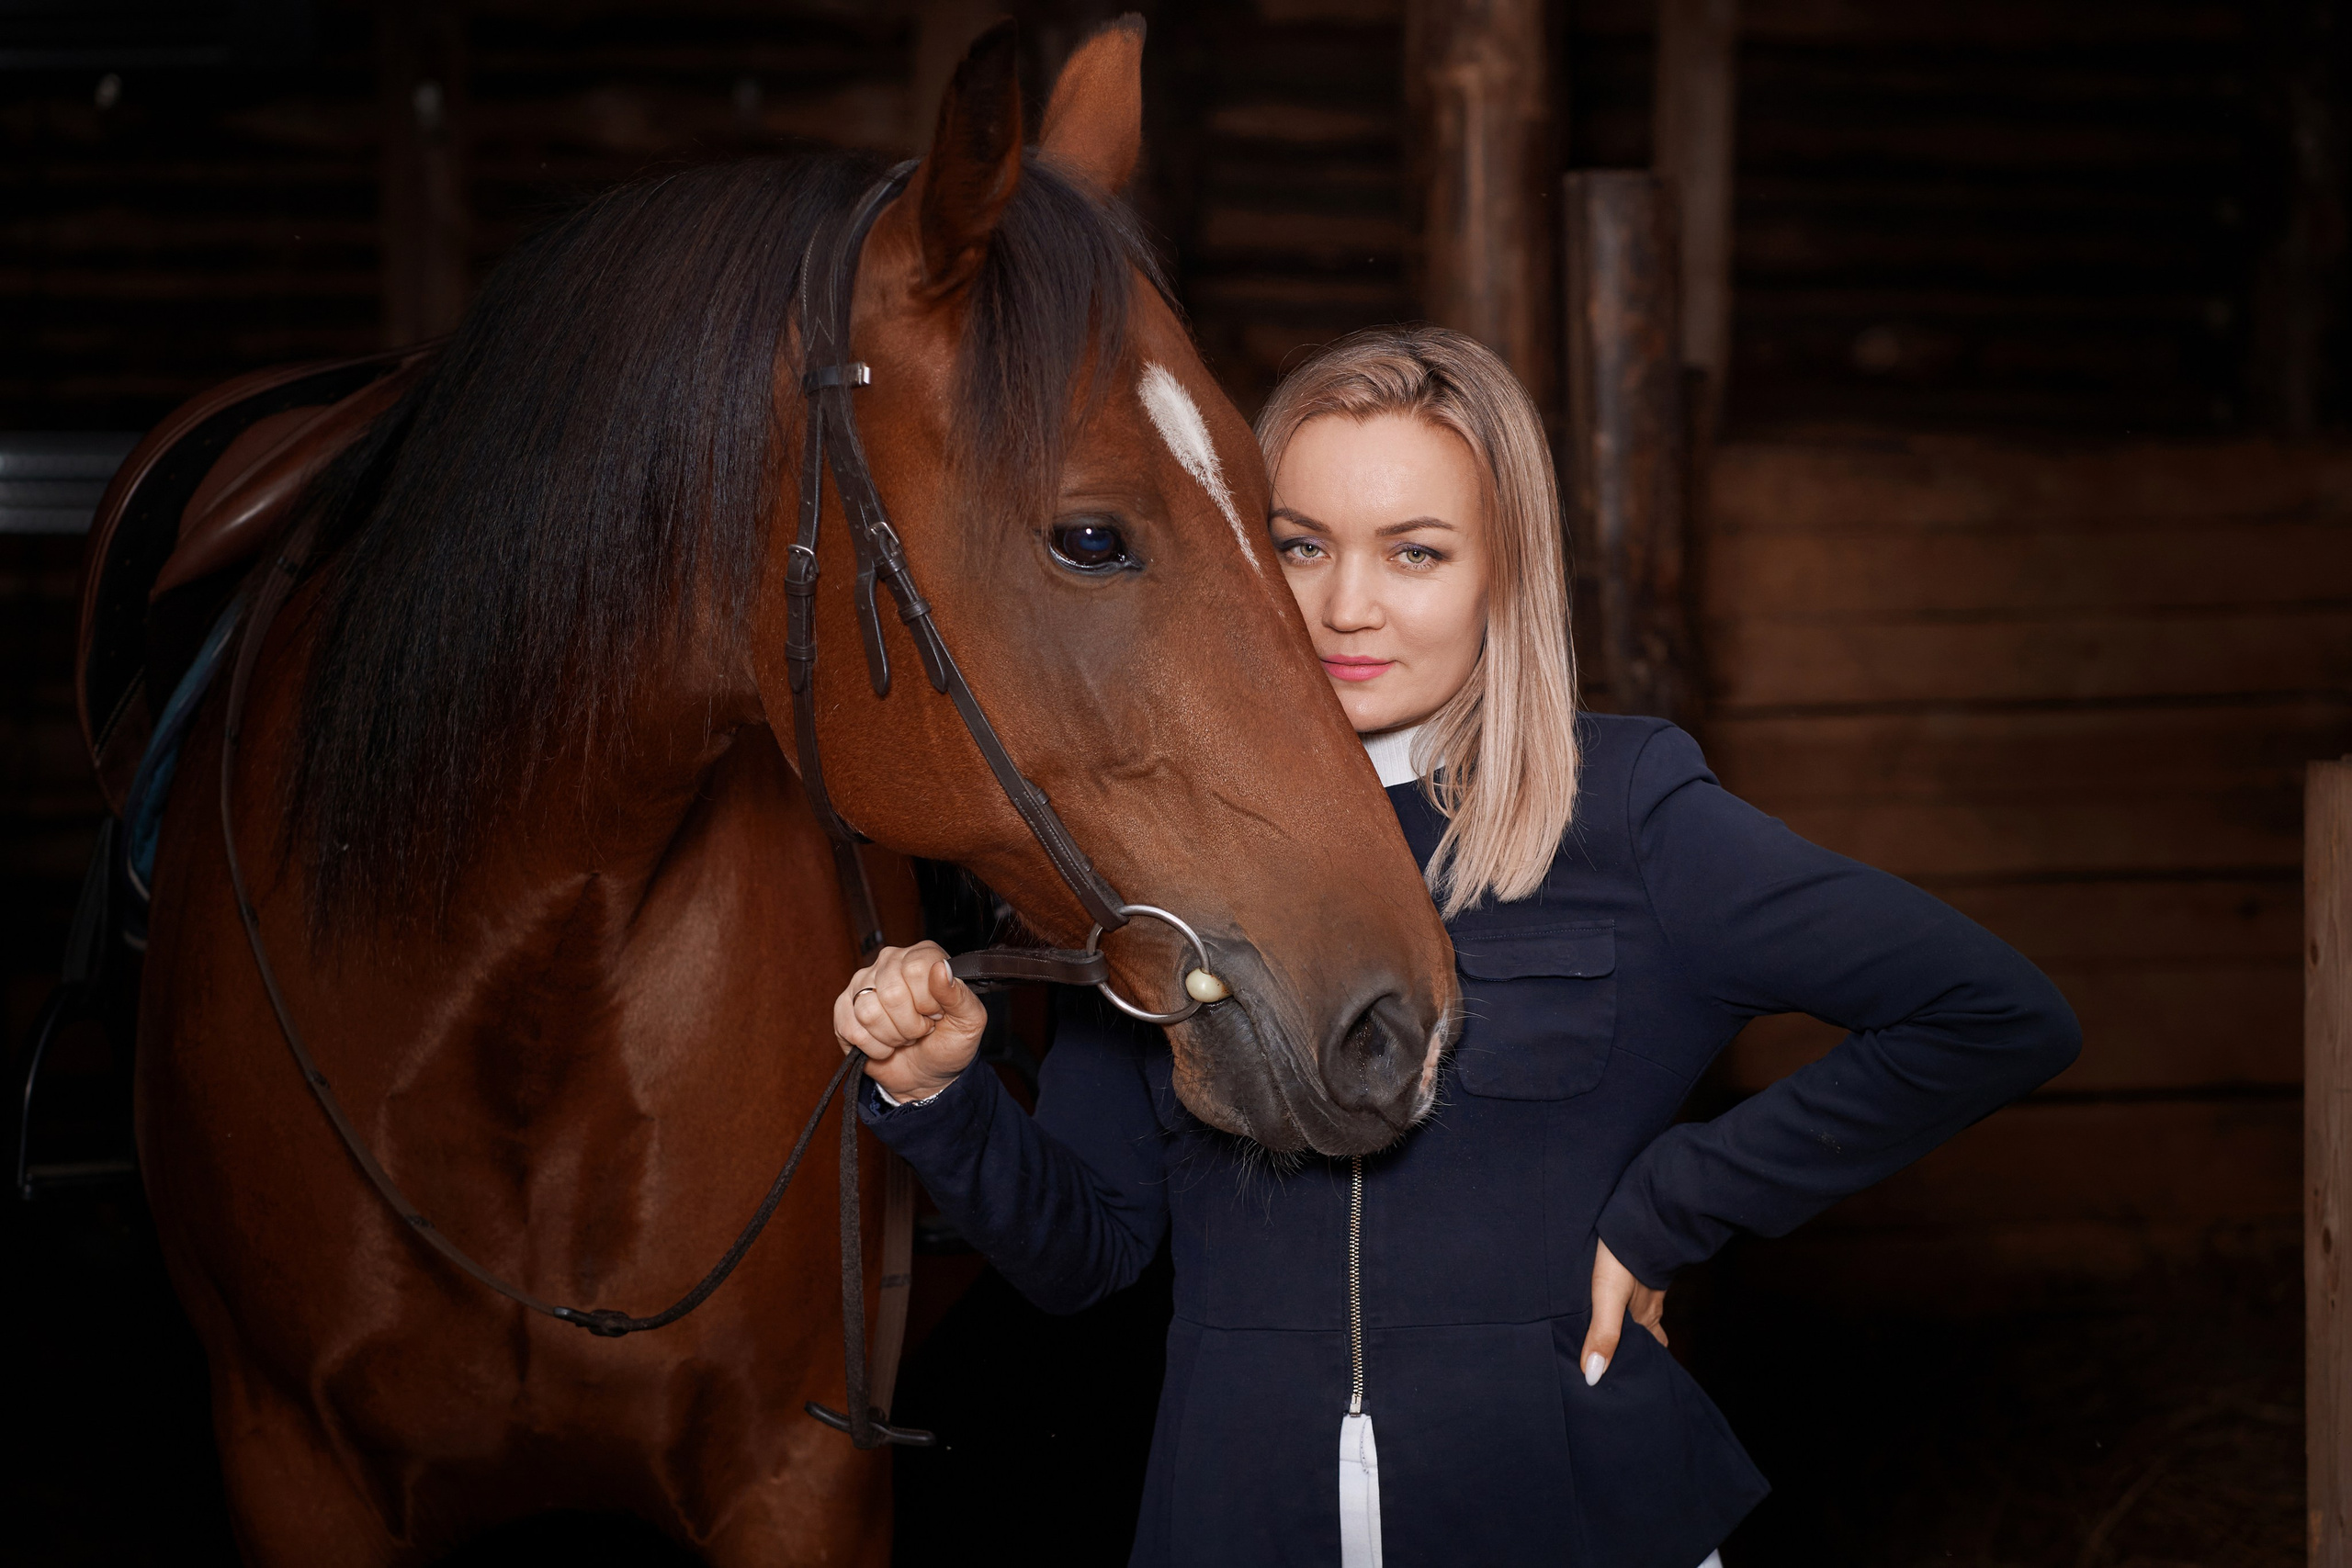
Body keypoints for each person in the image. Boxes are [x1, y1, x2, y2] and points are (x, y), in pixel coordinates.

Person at [832, 325, 2080, 1566]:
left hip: (1578, 1519)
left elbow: (1992, 1013)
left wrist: (1674, 1208)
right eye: (1299, 544)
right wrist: (938, 1092)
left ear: (1503, 574)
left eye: (1415, 553)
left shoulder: (1630, 813)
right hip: (1236, 1518)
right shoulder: (1157, 848)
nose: (1346, 605)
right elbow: (1086, 1258)